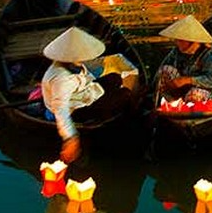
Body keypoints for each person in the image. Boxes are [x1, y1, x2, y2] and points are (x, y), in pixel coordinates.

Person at [40, 27, 138, 163]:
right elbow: (61, 110)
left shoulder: (73, 64)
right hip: (75, 109)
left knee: (115, 78)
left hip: (83, 94)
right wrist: (70, 138)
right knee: (125, 95)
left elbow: (87, 78)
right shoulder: (62, 79)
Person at [155, 16, 212, 104]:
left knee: (195, 95)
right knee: (165, 70)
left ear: (191, 40)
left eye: (180, 40)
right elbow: (164, 66)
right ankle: (170, 102)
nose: (177, 42)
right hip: (185, 89)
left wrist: (188, 80)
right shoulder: (177, 51)